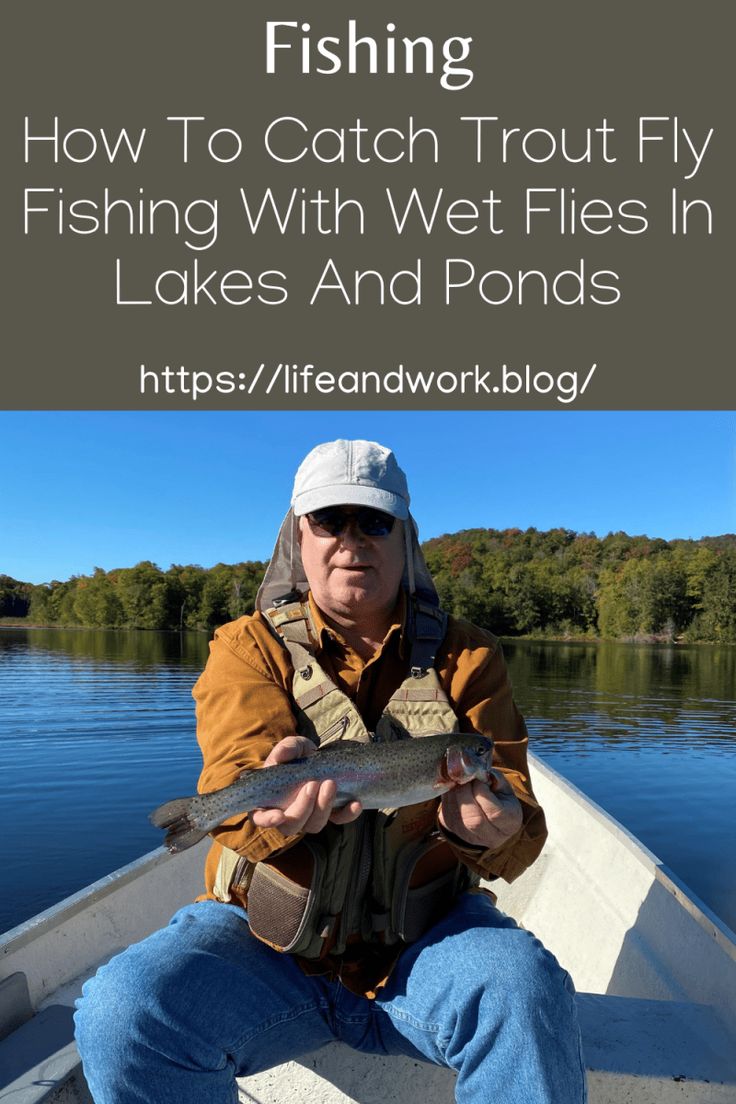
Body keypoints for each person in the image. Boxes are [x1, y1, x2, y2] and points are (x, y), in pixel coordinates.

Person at [75, 439, 586, 1104]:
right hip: (264, 953)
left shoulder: (469, 658)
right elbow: (237, 768)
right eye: (329, 520)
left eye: (373, 521)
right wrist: (267, 813)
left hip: (429, 952)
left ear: (405, 537)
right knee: (123, 1013)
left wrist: (496, 827)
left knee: (524, 987)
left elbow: (517, 809)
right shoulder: (246, 648)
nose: (352, 540)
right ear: (299, 536)